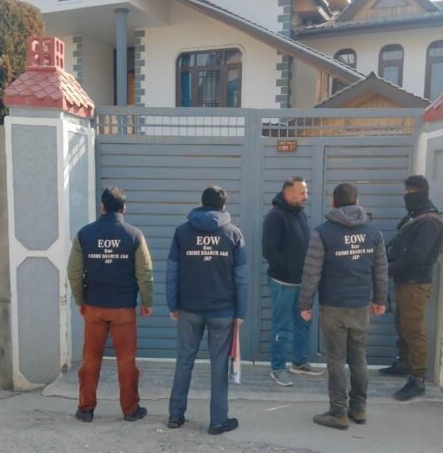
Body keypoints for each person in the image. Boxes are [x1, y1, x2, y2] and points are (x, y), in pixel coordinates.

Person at [299, 183, 388, 430]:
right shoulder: (374, 233)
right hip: (360, 306)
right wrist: (380, 300)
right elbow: (381, 271)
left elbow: (311, 272)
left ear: (333, 203)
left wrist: (305, 303)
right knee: (358, 357)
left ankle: (338, 412)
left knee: (336, 359)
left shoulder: (322, 233)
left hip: (333, 306)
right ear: (357, 202)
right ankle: (358, 408)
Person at [67, 187, 154, 423]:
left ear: (102, 207)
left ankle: (85, 409)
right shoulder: (134, 235)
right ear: (124, 208)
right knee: (126, 361)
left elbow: (74, 272)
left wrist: (80, 300)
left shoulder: (84, 234)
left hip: (94, 307)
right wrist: (147, 301)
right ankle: (130, 409)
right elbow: (145, 272)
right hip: (123, 309)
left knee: (90, 359)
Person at [166, 186, 249, 435]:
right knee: (218, 365)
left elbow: (172, 271)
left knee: (184, 360)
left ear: (201, 204)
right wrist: (240, 312)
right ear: (223, 206)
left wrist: (173, 304)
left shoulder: (182, 232)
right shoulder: (233, 233)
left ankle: (175, 416)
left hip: (189, 309)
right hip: (222, 311)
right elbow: (241, 277)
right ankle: (218, 421)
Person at [381, 175, 443, 401]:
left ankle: (418, 379)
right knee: (402, 325)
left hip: (415, 283)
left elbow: (416, 258)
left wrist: (386, 268)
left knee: (413, 330)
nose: (405, 198)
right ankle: (405, 364)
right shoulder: (418, 218)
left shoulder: (429, 222)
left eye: (408, 194)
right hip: (406, 281)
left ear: (418, 193)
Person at [263, 176, 322, 387]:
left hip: (303, 283)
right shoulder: (275, 217)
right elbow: (269, 250)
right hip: (283, 283)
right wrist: (288, 271)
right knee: (281, 326)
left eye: (306, 192)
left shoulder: (300, 214)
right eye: (302, 192)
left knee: (303, 323)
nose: (306, 196)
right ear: (288, 194)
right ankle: (277, 368)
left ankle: (299, 363)